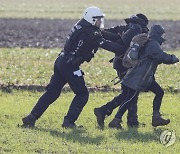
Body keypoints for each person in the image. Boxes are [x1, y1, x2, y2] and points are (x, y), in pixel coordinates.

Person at [21, 6, 142, 128]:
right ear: (92, 19)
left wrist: (123, 34)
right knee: (82, 94)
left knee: (52, 93)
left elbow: (105, 35)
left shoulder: (83, 26)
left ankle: (31, 118)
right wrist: (129, 47)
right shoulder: (91, 33)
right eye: (99, 20)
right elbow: (111, 46)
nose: (100, 22)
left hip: (61, 61)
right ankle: (69, 122)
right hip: (70, 65)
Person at [107, 24, 179, 129]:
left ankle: (156, 117)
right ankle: (115, 121)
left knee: (159, 92)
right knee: (130, 99)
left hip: (144, 77)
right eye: (162, 34)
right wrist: (173, 58)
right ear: (158, 34)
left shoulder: (149, 42)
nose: (163, 37)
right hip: (138, 78)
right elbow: (161, 56)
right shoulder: (153, 44)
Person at [94, 13, 149, 128]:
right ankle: (104, 111)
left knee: (129, 93)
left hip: (120, 65)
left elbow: (105, 34)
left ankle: (132, 121)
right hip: (127, 67)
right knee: (130, 94)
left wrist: (96, 30)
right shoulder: (140, 33)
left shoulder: (122, 29)